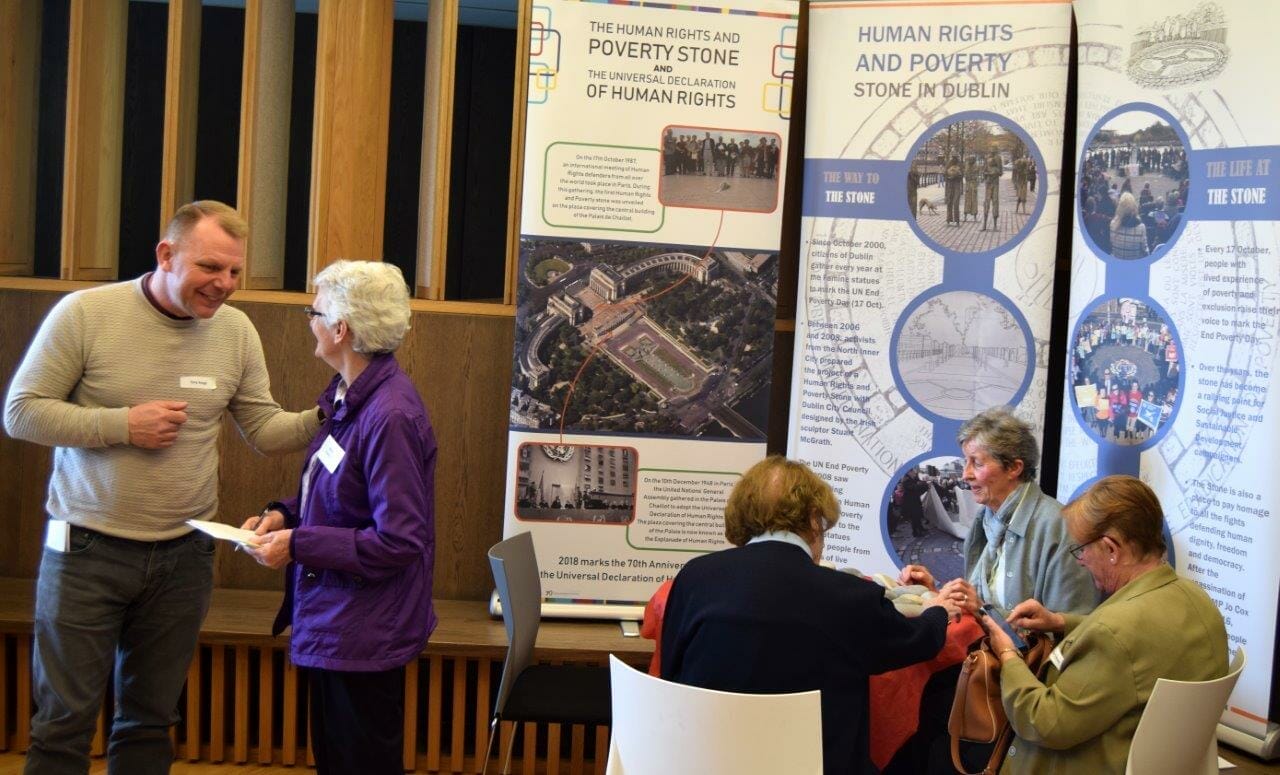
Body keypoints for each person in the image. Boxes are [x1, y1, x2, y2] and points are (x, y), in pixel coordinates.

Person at [3, 201, 321, 774]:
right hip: (85, 552)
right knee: (62, 726)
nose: (224, 284)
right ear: (166, 255)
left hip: (184, 557)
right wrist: (123, 424)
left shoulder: (235, 331)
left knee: (150, 723)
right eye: (210, 267)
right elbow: (21, 413)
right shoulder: (85, 313)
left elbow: (264, 428)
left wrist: (334, 412)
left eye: (234, 271)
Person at [244, 260, 437, 775]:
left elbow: (399, 540)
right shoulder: (348, 396)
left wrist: (298, 544)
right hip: (339, 622)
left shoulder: (390, 416)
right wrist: (282, 515)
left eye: (315, 313)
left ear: (340, 329)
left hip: (363, 631)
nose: (310, 322)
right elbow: (339, 494)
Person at [662, 456, 961, 775]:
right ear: (814, 520)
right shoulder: (849, 596)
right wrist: (938, 610)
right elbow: (916, 642)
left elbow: (670, 672)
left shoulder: (694, 577)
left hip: (705, 762)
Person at [987, 476, 1228, 773]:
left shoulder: (1114, 632)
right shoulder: (1198, 601)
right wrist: (1059, 621)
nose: (1080, 561)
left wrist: (1008, 656)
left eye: (1081, 550)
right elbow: (1135, 640)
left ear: (1111, 549)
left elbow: (1043, 723)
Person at [900, 407, 1098, 619]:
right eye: (966, 462)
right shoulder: (984, 519)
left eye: (977, 463)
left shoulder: (1061, 527)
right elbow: (978, 608)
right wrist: (935, 594)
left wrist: (981, 610)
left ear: (1014, 468)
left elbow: (1069, 631)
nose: (965, 474)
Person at [1109, 191, 1149, 259]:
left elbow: (1112, 244)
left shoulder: (1113, 224)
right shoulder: (1141, 227)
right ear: (1134, 207)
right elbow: (1145, 250)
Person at [982, 152, 1003, 231]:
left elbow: (1000, 173)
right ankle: (984, 225)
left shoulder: (997, 166)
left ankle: (995, 225)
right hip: (988, 186)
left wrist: (993, 173)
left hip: (995, 185)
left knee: (995, 202)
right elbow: (984, 173)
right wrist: (987, 174)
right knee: (986, 203)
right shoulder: (987, 165)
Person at [945, 155, 964, 226]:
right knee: (949, 202)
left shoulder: (960, 166)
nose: (954, 159)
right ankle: (949, 219)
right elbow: (945, 175)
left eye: (955, 158)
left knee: (956, 203)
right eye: (953, 158)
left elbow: (961, 176)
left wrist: (956, 176)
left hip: (956, 185)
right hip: (950, 185)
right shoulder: (948, 165)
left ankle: (957, 220)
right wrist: (949, 177)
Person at [964, 156, 980, 222]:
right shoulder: (967, 166)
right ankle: (965, 216)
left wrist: (972, 177)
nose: (970, 161)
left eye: (972, 160)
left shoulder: (976, 167)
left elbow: (976, 176)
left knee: (974, 200)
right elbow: (966, 176)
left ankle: (975, 216)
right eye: (970, 160)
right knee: (967, 200)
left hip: (973, 185)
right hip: (968, 185)